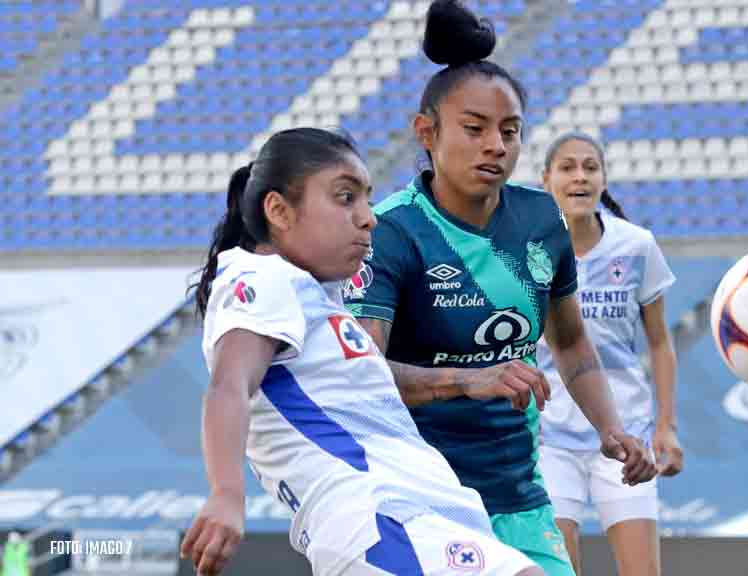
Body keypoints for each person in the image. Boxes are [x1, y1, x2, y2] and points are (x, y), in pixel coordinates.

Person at [349, 2, 657, 574]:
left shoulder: (543, 223)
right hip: (419, 496)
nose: (496, 145)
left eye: (510, 131)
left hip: (518, 493)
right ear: (426, 133)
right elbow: (363, 373)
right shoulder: (393, 232)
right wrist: (469, 380)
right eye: (475, 129)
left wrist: (612, 431)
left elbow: (570, 345)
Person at [180, 127, 541, 576]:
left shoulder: (316, 300)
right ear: (278, 210)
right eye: (345, 197)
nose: (369, 217)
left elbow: (365, 388)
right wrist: (226, 494)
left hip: (419, 516)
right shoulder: (263, 278)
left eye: (367, 199)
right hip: (380, 517)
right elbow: (229, 386)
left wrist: (466, 380)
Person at [534, 132, 683, 576]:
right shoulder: (527, 250)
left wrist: (666, 427)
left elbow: (660, 342)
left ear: (602, 178)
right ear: (546, 180)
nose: (579, 176)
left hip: (626, 435)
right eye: (567, 167)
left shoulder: (636, 246)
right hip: (548, 438)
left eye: (589, 167)